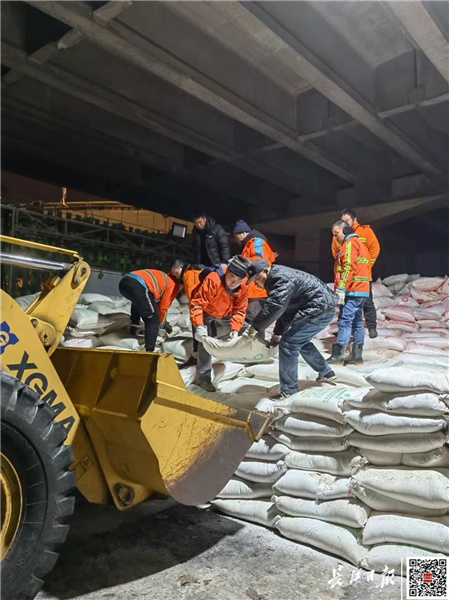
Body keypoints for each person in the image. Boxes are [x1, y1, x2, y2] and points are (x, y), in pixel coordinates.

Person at [245, 261, 338, 399]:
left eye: (257, 278)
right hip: (321, 307)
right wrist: (277, 334)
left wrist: (254, 327)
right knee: (300, 341)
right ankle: (326, 372)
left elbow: (275, 307)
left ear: (265, 271)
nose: (256, 283)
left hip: (319, 309)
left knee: (288, 344)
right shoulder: (278, 278)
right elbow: (287, 311)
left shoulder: (279, 279)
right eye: (254, 281)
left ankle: (289, 391)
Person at [190, 255, 250, 392]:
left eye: (238, 280)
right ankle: (204, 377)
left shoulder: (244, 286)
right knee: (205, 342)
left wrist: (235, 328)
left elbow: (240, 310)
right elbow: (197, 304)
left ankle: (253, 356)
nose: (234, 282)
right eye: (231, 277)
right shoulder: (213, 279)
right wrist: (199, 326)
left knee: (248, 331)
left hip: (225, 312)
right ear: (226, 272)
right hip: (207, 311)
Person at [331, 208, 380, 338]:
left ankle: (371, 327)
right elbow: (335, 252)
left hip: (361, 276)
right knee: (345, 307)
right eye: (343, 221)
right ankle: (347, 334)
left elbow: (375, 249)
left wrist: (367, 266)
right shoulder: (338, 234)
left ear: (354, 220)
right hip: (346, 277)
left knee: (367, 303)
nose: (345, 223)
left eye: (347, 220)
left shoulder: (365, 231)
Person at [329, 220, 371, 366]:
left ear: (345, 231)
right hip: (361, 290)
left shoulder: (350, 244)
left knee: (345, 321)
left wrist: (342, 288)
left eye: (336, 234)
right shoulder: (360, 243)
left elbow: (348, 267)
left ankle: (338, 356)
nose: (336, 238)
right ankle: (357, 357)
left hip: (352, 289)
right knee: (357, 322)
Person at [119, 268, 179, 352]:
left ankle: (134, 326)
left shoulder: (162, 278)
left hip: (124, 282)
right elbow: (163, 308)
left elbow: (152, 304)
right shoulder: (172, 285)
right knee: (153, 320)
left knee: (139, 302)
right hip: (138, 285)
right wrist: (161, 326)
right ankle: (149, 351)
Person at [233, 220, 276, 323]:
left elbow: (259, 261)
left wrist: (240, 261)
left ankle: (256, 338)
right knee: (252, 316)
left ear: (243, 233)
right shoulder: (250, 243)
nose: (236, 240)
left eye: (236, 236)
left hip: (257, 287)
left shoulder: (256, 242)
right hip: (254, 287)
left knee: (254, 318)